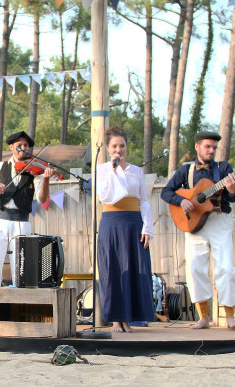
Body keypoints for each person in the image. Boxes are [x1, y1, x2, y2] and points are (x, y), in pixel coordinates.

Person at [160, 131, 235, 330]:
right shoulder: (186, 170)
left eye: (214, 147)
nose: (211, 150)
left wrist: (232, 190)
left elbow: (232, 198)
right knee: (196, 269)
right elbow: (166, 192)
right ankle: (203, 317)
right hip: (194, 224)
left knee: (225, 268)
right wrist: (182, 200)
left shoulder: (224, 168)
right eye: (208, 146)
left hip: (218, 220)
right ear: (197, 146)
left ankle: (229, 316)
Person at [96, 126, 155, 333]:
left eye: (121, 145)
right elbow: (105, 196)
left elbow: (144, 201)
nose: (118, 150)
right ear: (107, 148)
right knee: (113, 268)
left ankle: (129, 319)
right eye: (114, 146)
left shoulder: (136, 170)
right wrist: (113, 170)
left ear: (126, 147)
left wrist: (148, 227)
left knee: (135, 268)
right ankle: (115, 320)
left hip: (133, 222)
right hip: (112, 222)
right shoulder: (102, 170)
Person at [0, 131, 55, 288]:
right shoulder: (0, 167)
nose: (23, 148)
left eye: (26, 145)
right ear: (12, 147)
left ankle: (19, 303)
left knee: (22, 268)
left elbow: (43, 199)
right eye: (20, 145)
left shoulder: (35, 171)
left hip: (21, 222)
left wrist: (45, 179)